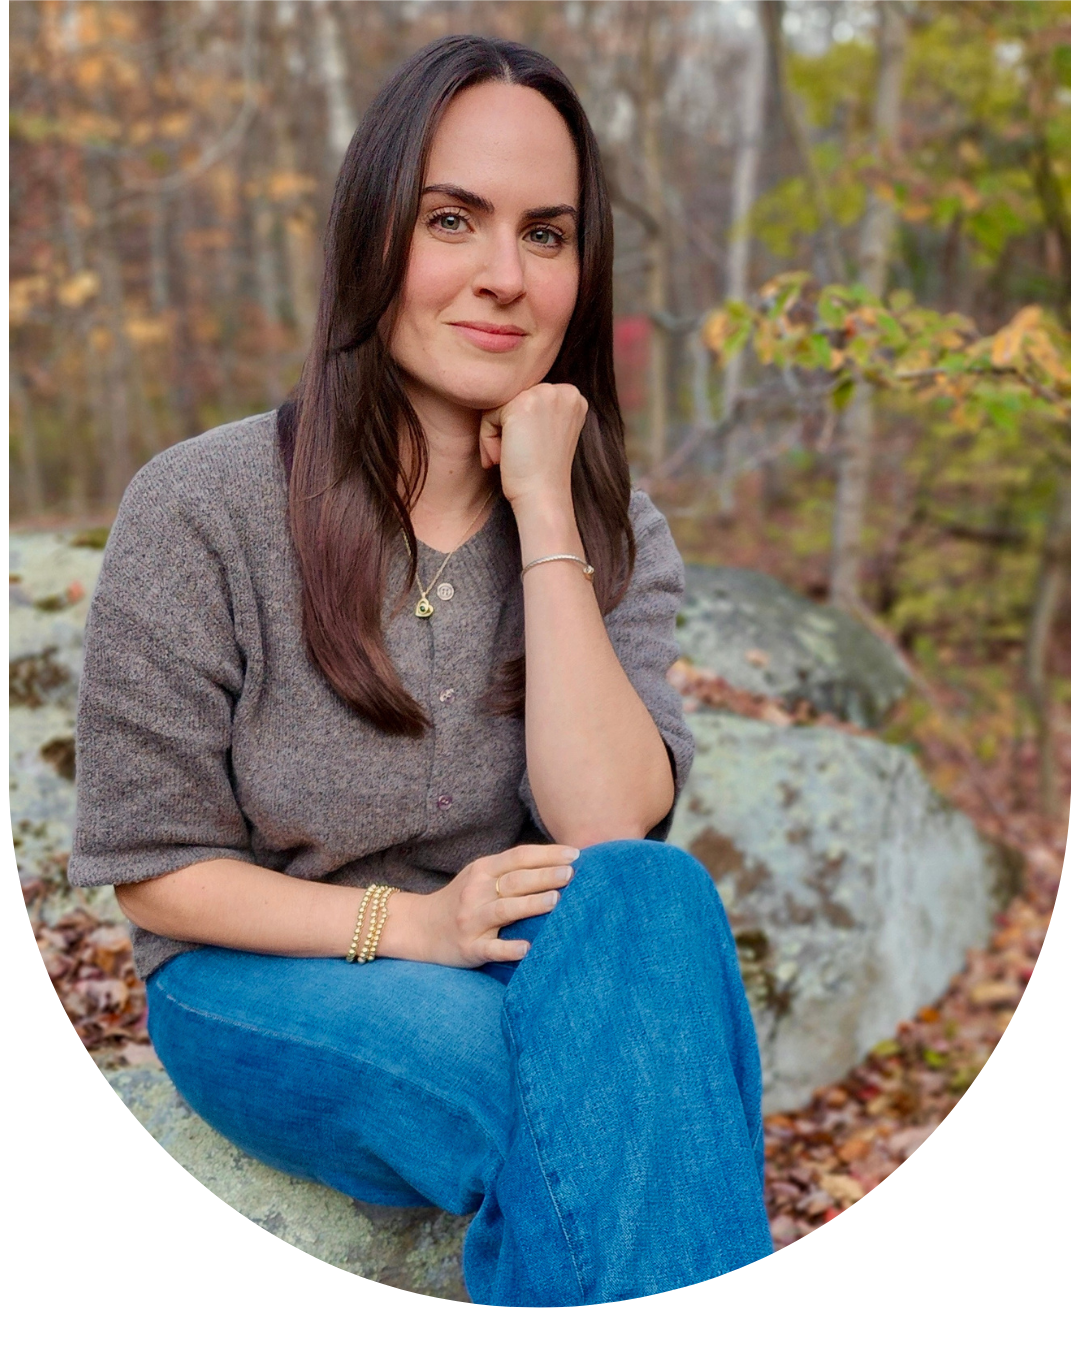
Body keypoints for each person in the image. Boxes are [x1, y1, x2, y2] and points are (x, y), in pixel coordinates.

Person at [68, 34, 772, 1310]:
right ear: (377, 234)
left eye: (546, 235)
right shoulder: (205, 506)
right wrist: (416, 927)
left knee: (656, 895)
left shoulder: (614, 527)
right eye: (456, 219)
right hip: (265, 975)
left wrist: (548, 509)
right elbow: (154, 869)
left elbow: (605, 823)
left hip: (518, 955)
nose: (505, 278)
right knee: (592, 1091)